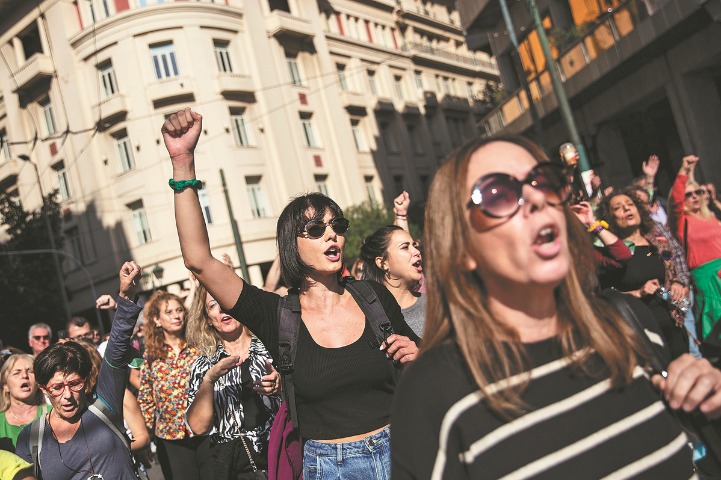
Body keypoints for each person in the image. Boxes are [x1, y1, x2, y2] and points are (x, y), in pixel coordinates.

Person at [390, 135, 721, 479]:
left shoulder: (627, 322)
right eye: (498, 194)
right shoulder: (432, 393)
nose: (537, 199)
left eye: (543, 182)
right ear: (460, 247)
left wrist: (706, 394)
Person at [162, 107, 419, 479]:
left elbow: (423, 361)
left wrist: (418, 354)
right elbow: (199, 260)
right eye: (315, 229)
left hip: (403, 451)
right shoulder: (276, 314)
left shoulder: (373, 297)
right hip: (331, 468)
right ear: (291, 245)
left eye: (337, 225)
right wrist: (182, 162)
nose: (331, 235)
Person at [15, 261, 143, 480]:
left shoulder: (105, 403)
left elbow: (117, 347)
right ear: (44, 389)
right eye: (57, 388)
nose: (67, 395)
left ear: (85, 380)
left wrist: (125, 295)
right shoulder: (31, 438)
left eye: (74, 384)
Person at [185, 283, 280, 479]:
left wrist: (281, 387)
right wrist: (209, 380)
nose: (221, 308)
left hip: (280, 453)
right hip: (233, 467)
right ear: (207, 319)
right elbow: (198, 427)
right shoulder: (203, 365)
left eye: (224, 300)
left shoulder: (271, 347)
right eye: (213, 305)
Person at [596, 188, 689, 358]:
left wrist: (678, 282)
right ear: (610, 218)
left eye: (630, 204)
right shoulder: (609, 252)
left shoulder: (657, 237)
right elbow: (603, 297)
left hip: (672, 322)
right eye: (618, 208)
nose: (626, 208)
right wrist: (638, 293)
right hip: (637, 329)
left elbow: (677, 261)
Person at [138, 291, 209, 480]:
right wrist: (146, 435)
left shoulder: (199, 346)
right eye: (168, 312)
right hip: (171, 438)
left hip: (206, 431)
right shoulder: (151, 356)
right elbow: (145, 398)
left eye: (179, 310)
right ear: (157, 319)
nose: (176, 316)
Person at [669, 155, 721, 357]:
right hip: (707, 278)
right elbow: (674, 201)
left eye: (698, 192)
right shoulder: (682, 221)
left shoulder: (711, 216)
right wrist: (684, 171)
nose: (694, 197)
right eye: (688, 194)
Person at [359, 225, 425, 337]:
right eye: (405, 247)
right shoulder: (365, 313)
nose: (417, 252)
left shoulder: (435, 306)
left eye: (415, 246)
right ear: (383, 263)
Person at [0, 355, 48, 450]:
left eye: (30, 372)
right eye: (16, 373)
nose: (24, 376)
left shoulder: (54, 414)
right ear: (5, 385)